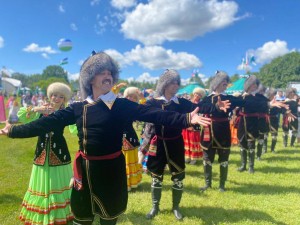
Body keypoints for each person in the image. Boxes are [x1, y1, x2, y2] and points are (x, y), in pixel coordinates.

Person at [0, 52, 213, 225]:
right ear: (90, 78)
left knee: (109, 218)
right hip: (84, 172)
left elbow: (154, 114)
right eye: (101, 72)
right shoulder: (78, 107)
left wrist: (186, 118)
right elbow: (45, 123)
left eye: (110, 72)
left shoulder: (121, 104)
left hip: (112, 171)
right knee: (82, 219)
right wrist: (13, 131)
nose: (107, 75)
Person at [140, 69, 230, 220]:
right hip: (158, 143)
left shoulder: (180, 103)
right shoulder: (152, 102)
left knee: (178, 176)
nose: (176, 85)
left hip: (175, 142)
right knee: (156, 176)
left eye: (177, 82)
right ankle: (155, 206)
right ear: (164, 83)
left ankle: (176, 207)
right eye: (173, 82)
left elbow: (199, 107)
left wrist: (215, 107)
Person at [10, 82, 73, 224]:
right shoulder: (41, 110)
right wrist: (37, 109)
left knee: (58, 183)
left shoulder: (65, 113)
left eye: (61, 96)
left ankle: (60, 214)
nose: (56, 98)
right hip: (41, 153)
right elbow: (22, 115)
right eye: (54, 95)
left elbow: (75, 127)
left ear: (64, 99)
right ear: (50, 96)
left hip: (59, 153)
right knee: (41, 183)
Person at [182, 87, 206, 165]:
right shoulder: (188, 103)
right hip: (187, 123)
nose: (197, 95)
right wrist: (187, 124)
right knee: (186, 141)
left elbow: (201, 115)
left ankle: (194, 158)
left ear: (201, 96)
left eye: (199, 94)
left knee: (194, 140)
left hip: (196, 125)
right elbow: (184, 113)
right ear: (193, 93)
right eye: (196, 93)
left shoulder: (201, 105)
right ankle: (187, 157)